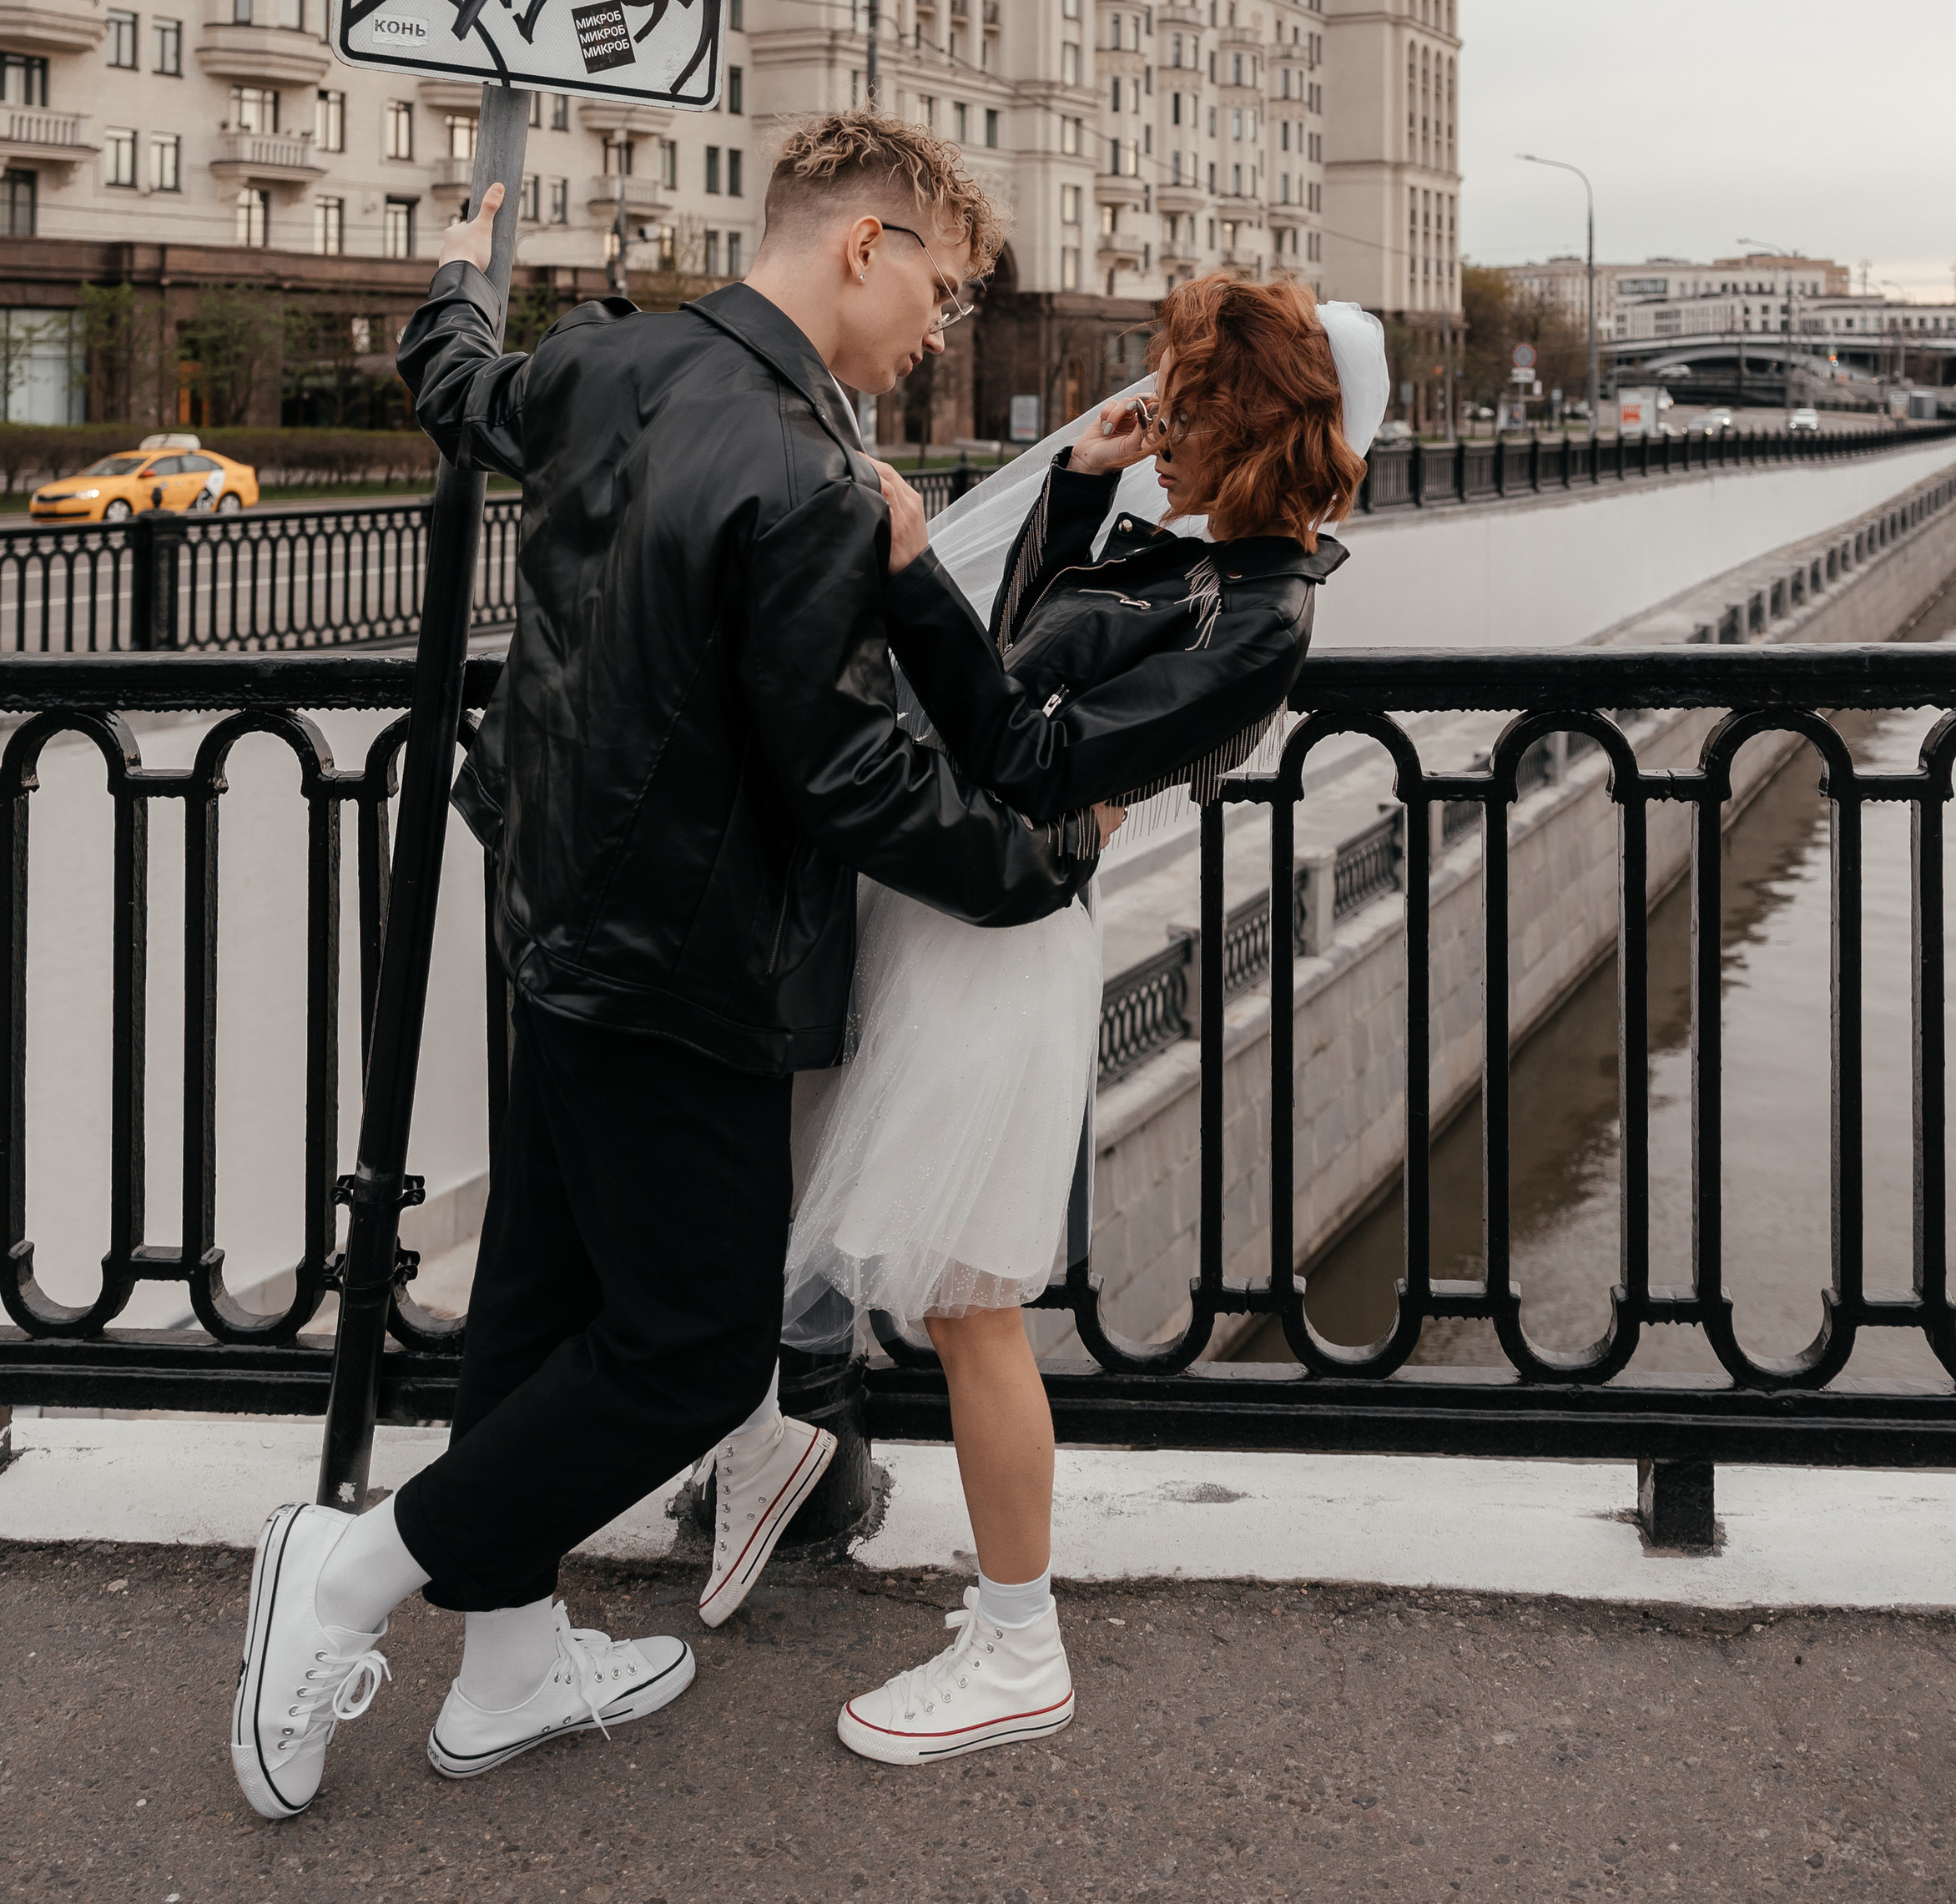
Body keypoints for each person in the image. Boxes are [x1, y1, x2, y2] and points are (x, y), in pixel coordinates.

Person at [230, 113, 1086, 1821]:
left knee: (540, 1308)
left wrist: (461, 276)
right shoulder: (805, 470)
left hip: (548, 917)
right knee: (696, 1355)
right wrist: (1036, 863)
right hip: (691, 967)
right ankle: (350, 1573)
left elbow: (457, 383)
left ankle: (509, 1657)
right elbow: (846, 774)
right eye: (943, 287)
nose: (943, 330)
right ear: (864, 245)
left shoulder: (604, 367)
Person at [734, 270, 1382, 1765]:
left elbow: (1022, 747)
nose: (1160, 413)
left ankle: (1021, 1643)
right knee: (903, 1272)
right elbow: (1024, 649)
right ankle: (811, 1481)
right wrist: (1081, 497)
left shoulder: (1265, 616)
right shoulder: (1186, 555)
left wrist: (904, 572)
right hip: (949, 914)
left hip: (1002, 943)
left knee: (970, 1305)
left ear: (1246, 415)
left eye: (1184, 392)